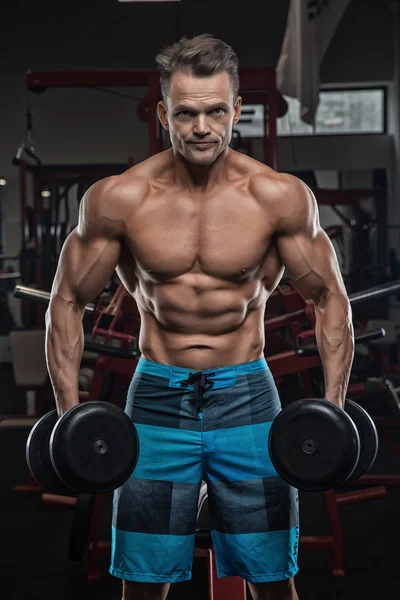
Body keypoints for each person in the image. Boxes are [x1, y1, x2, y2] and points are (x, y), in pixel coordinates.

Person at [45, 34, 354, 600]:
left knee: (270, 574)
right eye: (186, 113)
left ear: (237, 108)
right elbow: (67, 300)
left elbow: (330, 297)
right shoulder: (120, 199)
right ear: (164, 113)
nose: (202, 127)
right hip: (157, 397)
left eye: (216, 110)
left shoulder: (278, 198)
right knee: (143, 575)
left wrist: (331, 410)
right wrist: (71, 418)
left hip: (248, 396)